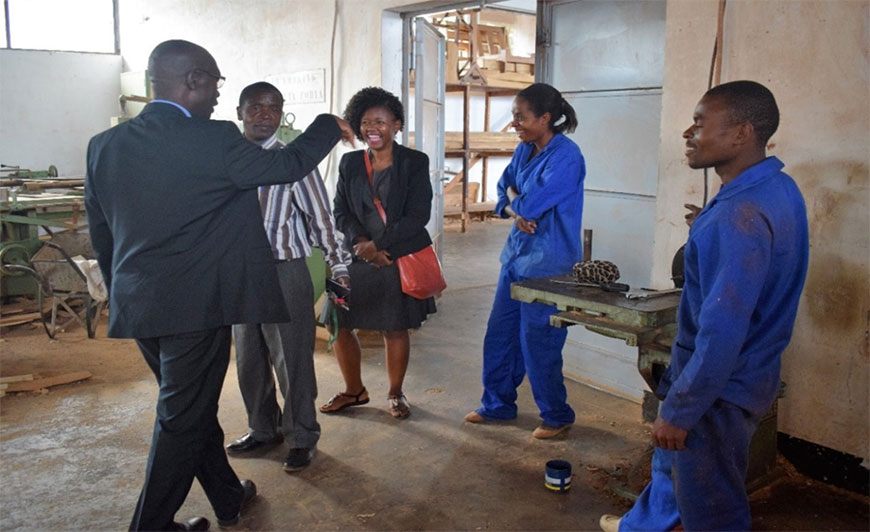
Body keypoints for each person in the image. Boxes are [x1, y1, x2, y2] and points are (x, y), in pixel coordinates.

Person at [85, 40, 354, 532]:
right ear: (193, 80)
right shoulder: (213, 138)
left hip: (138, 303)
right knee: (180, 418)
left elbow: (103, 235)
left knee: (189, 407)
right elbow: (286, 166)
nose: (215, 94)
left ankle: (228, 496)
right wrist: (326, 126)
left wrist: (123, 290)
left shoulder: (105, 146)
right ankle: (151, 526)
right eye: (214, 82)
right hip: (196, 308)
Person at [599, 80, 809, 532]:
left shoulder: (739, 214)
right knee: (679, 483)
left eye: (699, 122)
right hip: (748, 377)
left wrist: (680, 410)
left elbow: (721, 330)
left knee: (712, 510)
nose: (687, 134)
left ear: (741, 133)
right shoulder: (777, 188)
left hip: (717, 391)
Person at [225, 82, 353, 472]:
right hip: (240, 274)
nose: (265, 115)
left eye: (273, 108)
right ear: (239, 112)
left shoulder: (294, 162)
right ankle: (263, 429)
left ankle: (301, 435)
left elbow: (321, 219)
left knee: (291, 358)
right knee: (249, 357)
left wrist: (339, 265)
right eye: (255, 108)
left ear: (282, 114)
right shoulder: (226, 160)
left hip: (285, 272)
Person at [464, 83, 586, 439]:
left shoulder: (567, 157)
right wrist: (514, 204)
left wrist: (518, 202)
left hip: (549, 265)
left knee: (539, 341)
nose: (515, 123)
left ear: (545, 118)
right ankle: (497, 404)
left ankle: (556, 414)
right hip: (516, 259)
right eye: (515, 116)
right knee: (500, 335)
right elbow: (503, 194)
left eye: (521, 117)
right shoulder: (524, 151)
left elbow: (529, 205)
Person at [319, 86, 436, 419]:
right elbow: (340, 209)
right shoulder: (350, 162)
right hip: (353, 256)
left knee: (394, 327)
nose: (373, 128)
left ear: (396, 124)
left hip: (395, 257)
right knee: (337, 322)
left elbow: (418, 215)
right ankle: (354, 391)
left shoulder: (414, 162)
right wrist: (360, 243)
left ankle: (396, 394)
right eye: (367, 122)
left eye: (381, 122)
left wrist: (381, 247)